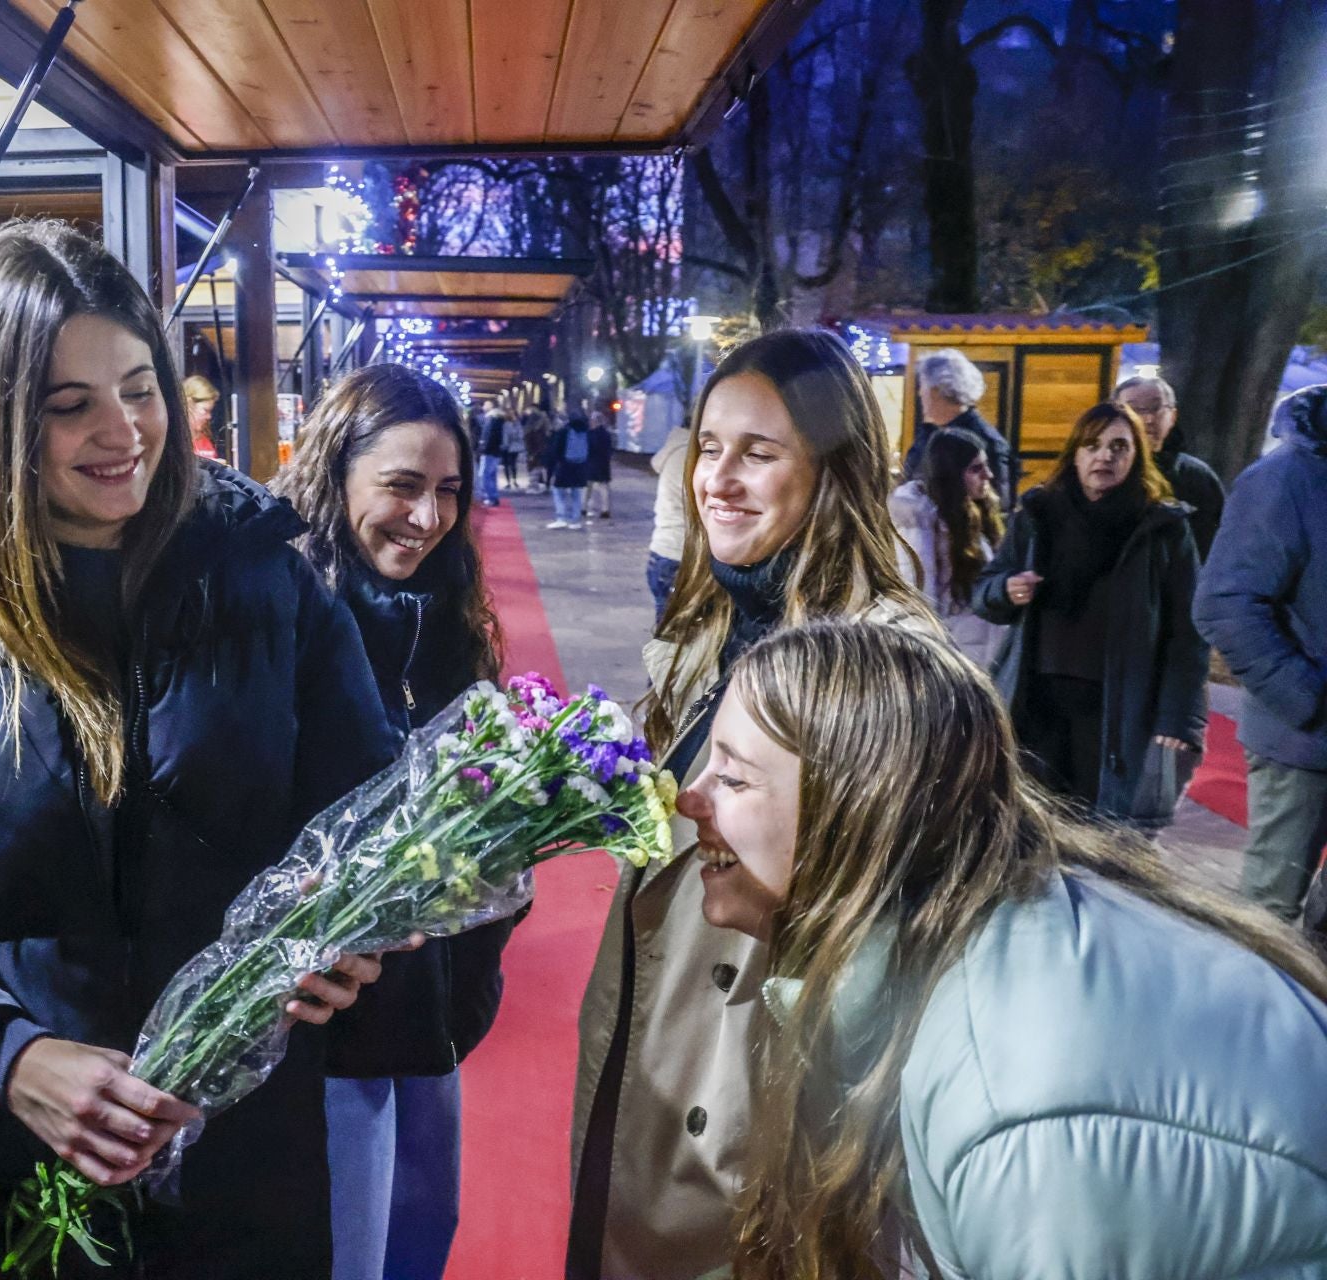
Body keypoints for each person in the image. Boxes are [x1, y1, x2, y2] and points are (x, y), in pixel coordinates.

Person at [0, 221, 402, 1279]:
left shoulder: (267, 581)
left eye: (140, 386)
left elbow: (367, 818)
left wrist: (352, 933)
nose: (125, 430)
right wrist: (5, 1058)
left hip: (237, 1184)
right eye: (70, 405)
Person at [690, 621, 1327, 1280]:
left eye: (733, 780)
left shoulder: (1020, 1109)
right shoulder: (969, 930)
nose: (688, 798)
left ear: (859, 812)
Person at [569, 330, 937, 1280]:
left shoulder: (885, 663)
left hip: (768, 1100)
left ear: (834, 469)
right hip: (654, 1057)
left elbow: (906, 925)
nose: (718, 479)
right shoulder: (714, 619)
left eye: (760, 453)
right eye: (710, 446)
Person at [273, 363, 513, 1280]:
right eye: (402, 486)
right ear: (336, 475)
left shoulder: (452, 619)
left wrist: (487, 928)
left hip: (429, 1020)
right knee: (343, 1252)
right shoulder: (281, 614)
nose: (428, 517)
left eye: (448, 490)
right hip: (318, 1034)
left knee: (418, 1238)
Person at [973, 401, 1207, 828]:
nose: (1105, 456)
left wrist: (1180, 717)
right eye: (1092, 445)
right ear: (1075, 454)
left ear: (1137, 456)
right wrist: (1005, 589)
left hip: (1115, 708)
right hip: (1035, 699)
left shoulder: (1162, 529)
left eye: (1119, 446)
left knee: (1100, 829)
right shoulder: (1039, 514)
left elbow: (1187, 633)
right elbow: (985, 590)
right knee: (1025, 826)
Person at [1195, 384, 1327, 921]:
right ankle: (1251, 1006)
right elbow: (1224, 605)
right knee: (1267, 918)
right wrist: (1306, 699)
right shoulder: (1284, 481)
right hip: (1302, 740)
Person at [888, 426, 1006, 667]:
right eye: (976, 468)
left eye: (986, 465)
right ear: (952, 473)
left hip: (976, 648)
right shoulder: (919, 520)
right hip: (951, 653)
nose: (989, 475)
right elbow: (918, 596)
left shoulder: (972, 514)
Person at [1115, 373, 1226, 558]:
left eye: (1156, 408)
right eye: (1134, 409)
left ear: (1173, 416)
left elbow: (1216, 543)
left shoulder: (1197, 477)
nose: (1148, 419)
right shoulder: (1103, 472)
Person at [903, 348, 1012, 505]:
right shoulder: (930, 432)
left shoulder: (985, 441)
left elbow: (996, 507)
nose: (920, 393)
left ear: (938, 390)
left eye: (923, 385)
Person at [647, 421, 691, 622]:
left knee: (669, 628)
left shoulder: (678, 449)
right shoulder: (688, 455)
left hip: (665, 551)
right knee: (676, 635)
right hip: (679, 554)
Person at [543, 413, 591, 529]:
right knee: (576, 493)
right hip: (580, 466)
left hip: (565, 466)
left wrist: (554, 464)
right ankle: (575, 520)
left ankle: (561, 518)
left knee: (558, 491)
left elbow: (556, 450)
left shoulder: (564, 432)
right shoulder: (586, 432)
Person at [182, 373, 222, 459]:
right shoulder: (175, 441)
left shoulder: (205, 440)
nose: (209, 417)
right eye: (206, 410)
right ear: (189, 405)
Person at [583, 409, 614, 519]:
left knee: (587, 487)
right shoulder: (606, 434)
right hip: (603, 464)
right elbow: (610, 449)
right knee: (603, 488)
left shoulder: (590, 434)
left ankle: (584, 508)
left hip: (591, 463)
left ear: (594, 421)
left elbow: (587, 448)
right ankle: (605, 509)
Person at [476, 411, 506, 507]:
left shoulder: (491, 422)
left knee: (485, 475)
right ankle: (493, 496)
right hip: (496, 452)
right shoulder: (501, 423)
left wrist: (483, 448)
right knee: (492, 475)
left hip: (488, 452)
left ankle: (490, 497)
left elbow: (488, 437)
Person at [522, 409, 552, 493]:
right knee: (536, 468)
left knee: (534, 469)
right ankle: (534, 486)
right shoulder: (538, 431)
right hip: (537, 451)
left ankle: (533, 486)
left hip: (535, 451)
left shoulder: (530, 430)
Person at [501, 414, 526, 490]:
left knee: (510, 464)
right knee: (510, 465)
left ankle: (511, 481)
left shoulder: (508, 425)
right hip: (511, 447)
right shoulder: (515, 425)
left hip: (509, 447)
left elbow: (507, 436)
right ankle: (511, 481)